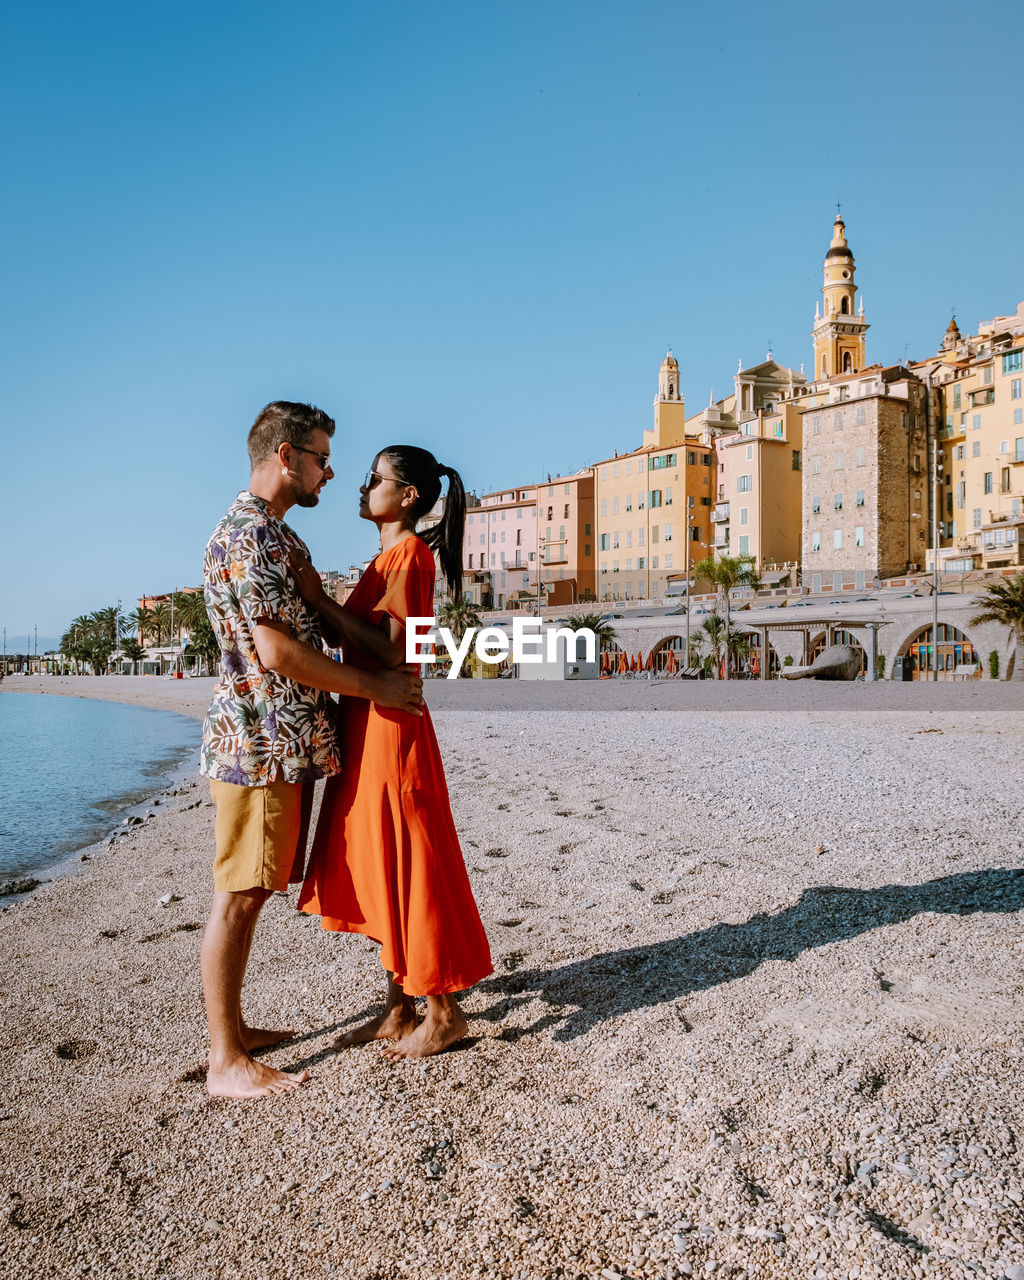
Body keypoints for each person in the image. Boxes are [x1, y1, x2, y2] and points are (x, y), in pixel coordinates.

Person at [199, 403, 423, 1100]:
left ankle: (234, 1033)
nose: (331, 472)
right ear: (287, 456)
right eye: (323, 457)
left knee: (254, 889)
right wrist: (374, 684)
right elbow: (276, 651)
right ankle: (225, 1059)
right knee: (239, 896)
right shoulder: (254, 537)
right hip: (260, 745)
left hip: (277, 743)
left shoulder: (269, 535)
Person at [292, 446, 492, 1059]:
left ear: (406, 495)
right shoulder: (389, 556)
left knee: (411, 860)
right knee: (383, 860)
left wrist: (319, 600)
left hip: (391, 727)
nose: (361, 486)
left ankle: (444, 1010)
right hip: (370, 723)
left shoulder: (412, 556)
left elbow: (395, 648)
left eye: (374, 479)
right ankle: (396, 1008)